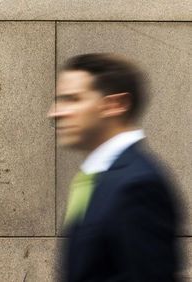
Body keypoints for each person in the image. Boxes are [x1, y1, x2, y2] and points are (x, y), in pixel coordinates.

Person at [47, 53, 183, 281]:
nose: (54, 113)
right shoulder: (101, 176)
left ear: (115, 105)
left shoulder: (138, 185)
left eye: (72, 99)